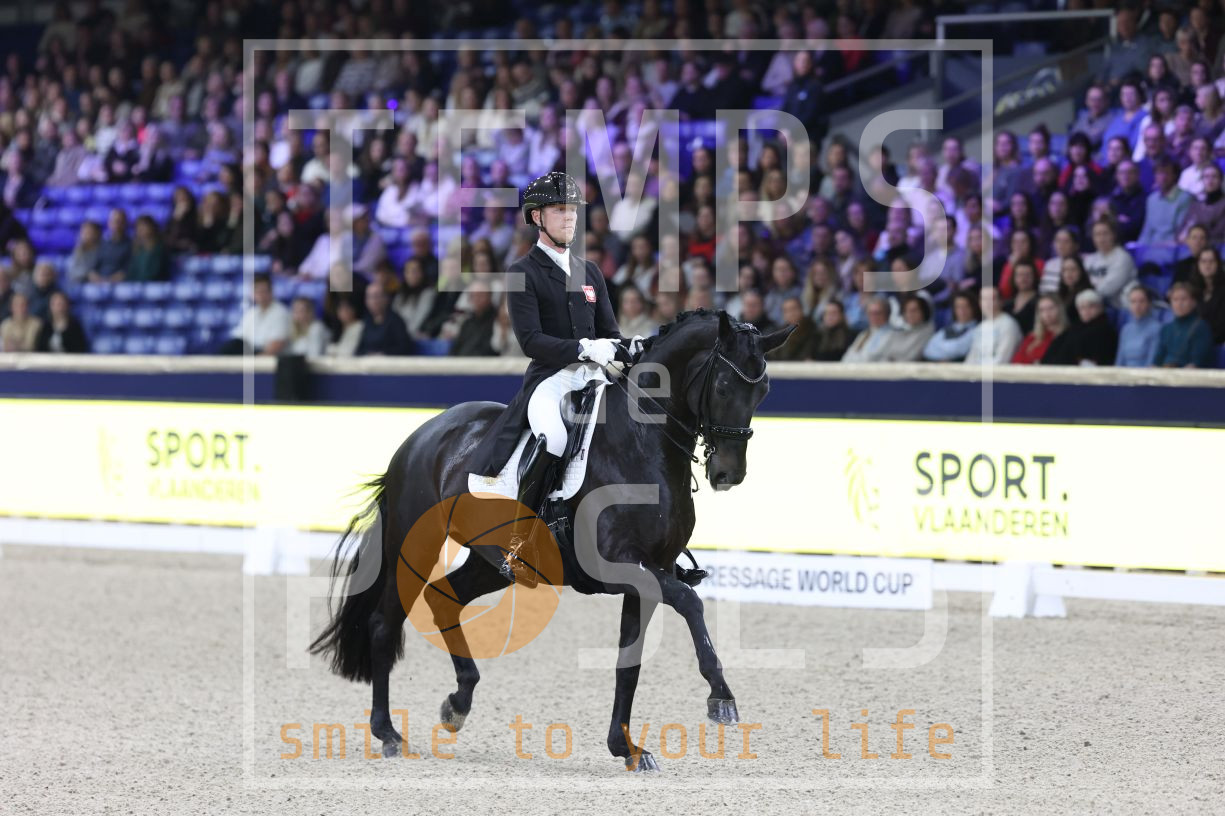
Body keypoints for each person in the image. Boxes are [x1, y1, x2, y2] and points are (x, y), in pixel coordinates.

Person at [465, 172, 643, 583]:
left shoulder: (590, 272)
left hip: (594, 377)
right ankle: (520, 540)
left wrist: (627, 347)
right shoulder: (522, 271)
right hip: (552, 378)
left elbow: (610, 333)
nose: (570, 218)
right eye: (561, 210)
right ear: (537, 217)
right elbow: (531, 340)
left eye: (573, 211)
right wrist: (583, 348)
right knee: (556, 437)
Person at [223, 274, 291, 355]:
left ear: (271, 292)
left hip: (266, 357)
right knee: (232, 346)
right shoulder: (251, 313)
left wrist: (256, 360)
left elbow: (276, 345)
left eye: (263, 291)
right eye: (257, 291)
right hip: (250, 354)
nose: (260, 295)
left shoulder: (281, 313)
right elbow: (238, 337)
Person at [1046, 289, 1117, 365]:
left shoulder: (1104, 330)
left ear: (1100, 307)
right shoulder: (1075, 327)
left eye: (1091, 306)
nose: (1086, 311)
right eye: (1082, 307)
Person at [1154, 282, 1216, 367]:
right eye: (1175, 299)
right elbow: (1157, 360)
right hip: (1165, 371)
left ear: (1193, 302)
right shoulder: (1166, 329)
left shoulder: (1201, 327)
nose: (1179, 304)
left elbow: (1196, 362)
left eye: (1183, 299)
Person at [1082, 217, 1137, 307]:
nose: (1101, 239)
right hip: (1094, 304)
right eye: (1097, 234)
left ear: (1113, 235)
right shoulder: (1090, 259)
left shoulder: (1123, 258)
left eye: (1105, 233)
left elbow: (1108, 289)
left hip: (1119, 308)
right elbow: (1082, 282)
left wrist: (1087, 290)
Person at [964, 286, 1022, 364]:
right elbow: (972, 357)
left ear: (1001, 301)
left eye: (992, 299)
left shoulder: (1009, 325)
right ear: (980, 303)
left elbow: (1002, 360)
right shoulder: (980, 327)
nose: (988, 303)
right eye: (984, 299)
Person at [356, 281, 413, 356]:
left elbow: (404, 348)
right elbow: (359, 349)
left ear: (386, 298)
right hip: (368, 362)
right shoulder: (367, 321)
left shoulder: (396, 321)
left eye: (376, 296)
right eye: (369, 297)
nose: (373, 301)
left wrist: (383, 354)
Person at [923, 290, 981, 362]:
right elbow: (928, 351)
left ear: (974, 308)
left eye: (966, 306)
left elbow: (958, 349)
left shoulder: (978, 329)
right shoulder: (945, 330)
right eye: (958, 307)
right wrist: (945, 356)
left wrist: (940, 348)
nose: (962, 311)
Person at [1012, 294, 1068, 364]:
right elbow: (1017, 361)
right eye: (1042, 310)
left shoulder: (1068, 335)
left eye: (1051, 308)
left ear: (1060, 309)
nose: (1047, 314)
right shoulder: (1032, 337)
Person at [1115, 285, 1162, 367]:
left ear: (1149, 303)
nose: (1137, 305)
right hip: (1124, 374)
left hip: (1144, 373)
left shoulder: (1156, 328)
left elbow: (1152, 362)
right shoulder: (1126, 329)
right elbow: (1120, 361)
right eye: (1133, 301)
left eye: (1141, 301)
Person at [841, 296, 894, 362]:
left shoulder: (895, 335)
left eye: (877, 313)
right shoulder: (863, 334)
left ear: (887, 313)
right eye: (870, 313)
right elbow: (848, 357)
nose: (873, 317)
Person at [882, 295, 934, 362]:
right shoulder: (901, 331)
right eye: (906, 311)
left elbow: (911, 358)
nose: (909, 314)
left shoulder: (927, 331)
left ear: (923, 311)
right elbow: (887, 353)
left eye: (914, 310)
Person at [766, 296, 816, 361]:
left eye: (794, 309)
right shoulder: (780, 333)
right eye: (786, 311)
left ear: (801, 310)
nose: (791, 314)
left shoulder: (812, 331)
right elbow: (772, 354)